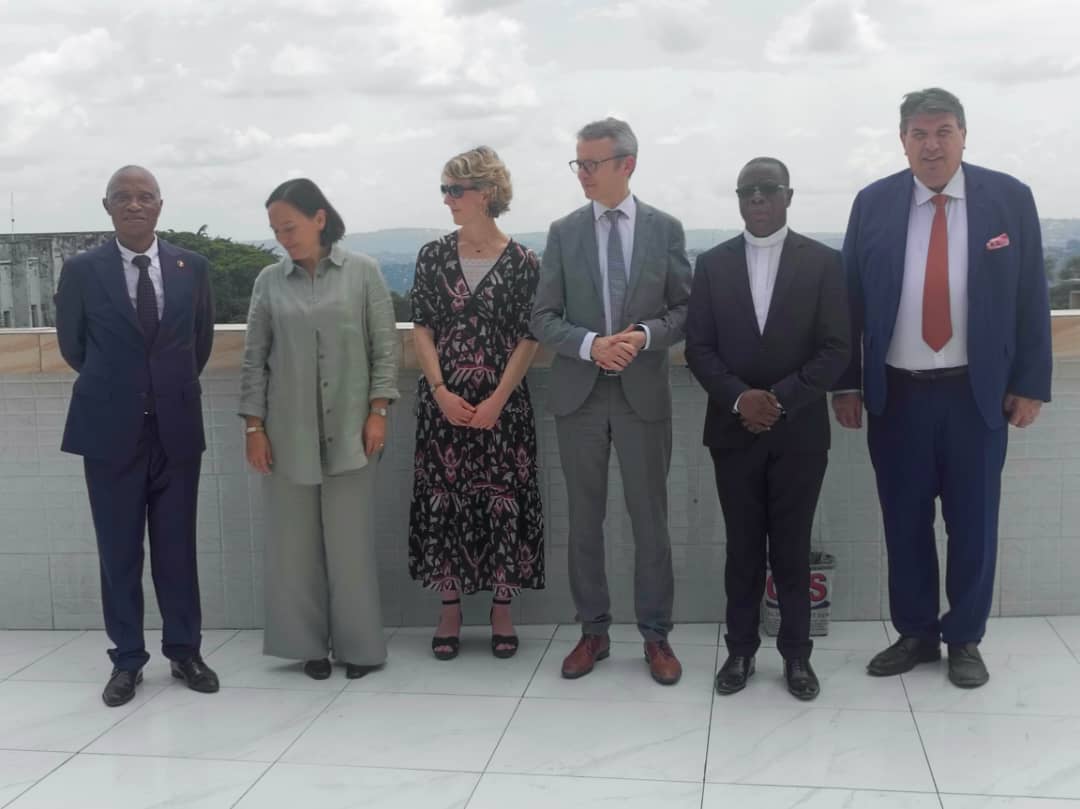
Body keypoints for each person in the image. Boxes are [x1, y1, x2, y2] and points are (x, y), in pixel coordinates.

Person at [833, 88, 1052, 688]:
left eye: (943, 131)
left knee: (973, 522)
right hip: (896, 395)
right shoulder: (873, 203)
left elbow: (1032, 296)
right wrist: (844, 386)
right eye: (919, 134)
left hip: (974, 395)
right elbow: (848, 301)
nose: (931, 145)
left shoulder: (1009, 199)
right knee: (903, 520)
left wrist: (1030, 383)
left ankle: (964, 638)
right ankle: (916, 633)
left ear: (963, 135)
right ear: (901, 140)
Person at [531, 117, 692, 685]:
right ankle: (592, 633)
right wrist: (590, 345)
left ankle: (656, 637)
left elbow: (685, 311)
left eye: (592, 163)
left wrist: (643, 337)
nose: (583, 174)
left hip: (642, 396)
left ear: (627, 164)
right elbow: (542, 317)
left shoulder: (665, 229)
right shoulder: (563, 231)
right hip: (579, 396)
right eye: (578, 163)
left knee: (651, 522)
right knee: (584, 523)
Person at [685, 157, 850, 700]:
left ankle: (797, 657)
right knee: (743, 548)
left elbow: (836, 348)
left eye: (767, 189)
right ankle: (739, 652)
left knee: (792, 549)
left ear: (788, 195)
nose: (757, 199)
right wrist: (739, 398)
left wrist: (778, 400)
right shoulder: (711, 265)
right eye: (747, 191)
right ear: (737, 199)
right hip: (733, 431)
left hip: (798, 431)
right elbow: (699, 349)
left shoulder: (825, 263)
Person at [54, 165, 218, 707]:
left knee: (177, 550)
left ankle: (184, 651)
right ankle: (127, 660)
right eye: (123, 197)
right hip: (109, 431)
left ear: (160, 205)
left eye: (144, 196)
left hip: (175, 429)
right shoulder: (81, 270)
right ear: (107, 207)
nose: (134, 204)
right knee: (118, 552)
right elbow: (74, 347)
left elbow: (200, 344)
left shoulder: (190, 266)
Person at [239, 178, 399, 680]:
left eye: (290, 226)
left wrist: (379, 412)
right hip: (287, 434)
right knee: (294, 546)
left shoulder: (364, 273)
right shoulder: (268, 281)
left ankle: (359, 648)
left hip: (353, 429)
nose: (283, 238)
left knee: (350, 544)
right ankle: (306, 646)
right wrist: (254, 429)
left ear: (319, 219)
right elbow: (253, 360)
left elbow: (385, 349)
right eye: (275, 230)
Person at [408, 146, 544, 661]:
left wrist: (497, 400)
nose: (447, 200)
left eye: (455, 190)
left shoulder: (526, 262)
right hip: (444, 405)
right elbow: (422, 325)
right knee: (445, 500)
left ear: (486, 193)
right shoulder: (432, 256)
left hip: (502, 406)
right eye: (444, 190)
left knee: (503, 500)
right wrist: (441, 392)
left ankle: (502, 608)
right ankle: (450, 608)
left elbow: (529, 337)